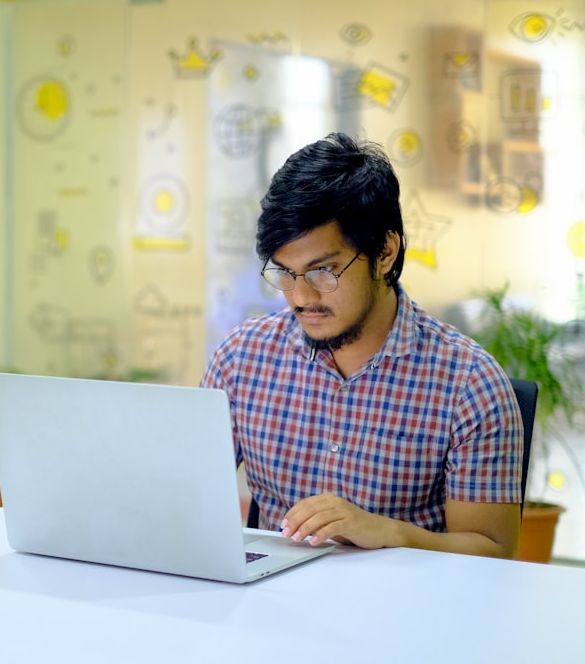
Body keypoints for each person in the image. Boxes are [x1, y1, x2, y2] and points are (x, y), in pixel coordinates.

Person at [200, 132, 523, 559]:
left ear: (385, 252)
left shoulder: (468, 383)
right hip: (269, 596)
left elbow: (493, 553)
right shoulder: (242, 358)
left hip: (404, 598)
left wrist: (388, 531)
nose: (301, 297)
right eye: (285, 273)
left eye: (323, 271)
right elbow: (186, 498)